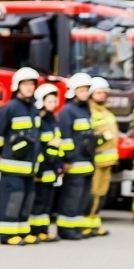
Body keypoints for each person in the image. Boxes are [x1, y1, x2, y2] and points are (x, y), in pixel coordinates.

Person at [0, 68, 41, 246]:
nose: (29, 88)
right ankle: (8, 234)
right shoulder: (10, 108)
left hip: (29, 167)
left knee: (27, 199)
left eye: (32, 84)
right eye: (25, 84)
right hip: (12, 166)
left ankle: (22, 232)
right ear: (17, 86)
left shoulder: (33, 109)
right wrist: (4, 151)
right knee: (13, 199)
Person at [56, 72, 97, 241]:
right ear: (73, 91)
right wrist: (68, 159)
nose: (85, 93)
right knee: (71, 198)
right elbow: (65, 137)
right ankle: (66, 229)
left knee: (82, 198)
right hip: (74, 163)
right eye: (81, 90)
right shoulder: (68, 111)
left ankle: (76, 227)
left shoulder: (85, 110)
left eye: (86, 90)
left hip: (87, 162)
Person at [30, 83, 64, 242]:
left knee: (47, 202)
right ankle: (34, 230)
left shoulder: (53, 120)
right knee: (38, 201)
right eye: (49, 101)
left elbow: (57, 142)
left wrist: (59, 164)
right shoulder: (39, 120)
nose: (53, 104)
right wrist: (41, 166)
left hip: (52, 167)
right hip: (42, 169)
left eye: (54, 101)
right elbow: (37, 145)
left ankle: (43, 230)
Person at [88, 75, 118, 236]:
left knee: (101, 193)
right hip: (96, 160)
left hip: (108, 161)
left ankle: (94, 222)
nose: (102, 95)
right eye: (98, 92)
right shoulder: (90, 112)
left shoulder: (107, 112)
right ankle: (87, 222)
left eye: (103, 93)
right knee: (92, 194)